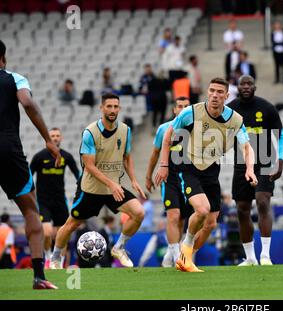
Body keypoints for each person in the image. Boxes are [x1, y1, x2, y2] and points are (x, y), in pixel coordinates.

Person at [154, 77, 258, 272]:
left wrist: (250, 169)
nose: (215, 95)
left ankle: (186, 258)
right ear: (207, 93)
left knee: (210, 223)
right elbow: (168, 135)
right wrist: (163, 164)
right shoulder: (191, 112)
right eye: (212, 91)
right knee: (202, 210)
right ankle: (184, 251)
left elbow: (246, 146)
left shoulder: (235, 119)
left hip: (211, 169)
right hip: (188, 165)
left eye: (220, 92)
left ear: (227, 96)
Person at [50, 93, 146, 269]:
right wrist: (111, 183)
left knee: (139, 212)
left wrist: (133, 179)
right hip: (91, 189)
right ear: (101, 108)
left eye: (115, 106)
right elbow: (89, 167)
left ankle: (119, 247)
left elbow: (127, 157)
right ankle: (56, 257)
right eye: (108, 106)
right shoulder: (90, 132)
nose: (112, 110)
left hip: (112, 189)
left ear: (119, 108)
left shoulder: (125, 130)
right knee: (72, 224)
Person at [0, 40, 61, 289]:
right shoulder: (15, 78)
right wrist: (48, 139)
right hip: (8, 151)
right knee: (30, 211)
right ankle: (39, 277)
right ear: (3, 57)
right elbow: (27, 103)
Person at [228, 75, 283, 266]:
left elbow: (282, 136)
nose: (245, 87)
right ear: (237, 87)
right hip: (241, 163)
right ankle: (250, 257)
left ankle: (265, 255)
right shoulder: (231, 109)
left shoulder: (267, 108)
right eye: (242, 84)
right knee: (242, 209)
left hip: (265, 161)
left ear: (255, 86)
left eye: (249, 84)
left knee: (262, 202)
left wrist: (281, 161)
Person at [145, 96, 192, 267]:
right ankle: (174, 256)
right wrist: (148, 176)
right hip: (170, 178)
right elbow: (155, 153)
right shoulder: (164, 129)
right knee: (173, 215)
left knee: (181, 221)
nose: (183, 109)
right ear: (174, 110)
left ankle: (171, 254)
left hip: (188, 179)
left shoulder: (196, 129)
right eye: (180, 106)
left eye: (187, 106)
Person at [30, 127, 80, 267]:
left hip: (60, 201)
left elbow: (78, 174)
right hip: (43, 201)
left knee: (62, 234)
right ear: (48, 138)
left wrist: (82, 189)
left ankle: (59, 262)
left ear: (61, 138)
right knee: (47, 233)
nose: (55, 138)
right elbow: (29, 175)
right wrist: (28, 194)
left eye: (58, 135)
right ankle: (47, 257)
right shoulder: (39, 156)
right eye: (52, 135)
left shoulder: (67, 156)